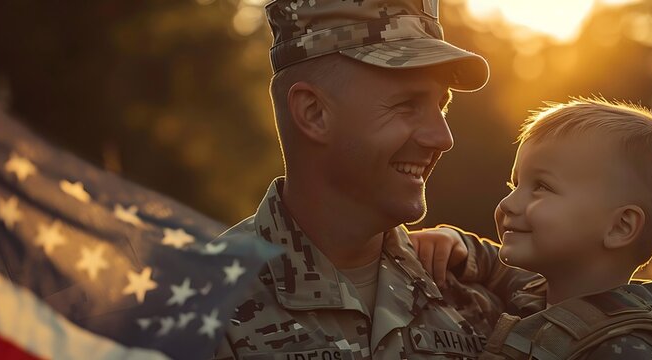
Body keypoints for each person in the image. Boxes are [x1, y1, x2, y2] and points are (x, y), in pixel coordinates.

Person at [212, 0, 538, 358]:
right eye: (407, 105)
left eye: (442, 106)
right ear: (314, 112)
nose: (443, 138)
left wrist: (489, 262)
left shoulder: (469, 291)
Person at [410, 98, 652, 359]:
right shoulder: (540, 290)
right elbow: (496, 266)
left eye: (541, 187)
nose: (508, 203)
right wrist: (459, 246)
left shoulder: (630, 351)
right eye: (515, 184)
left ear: (620, 226)